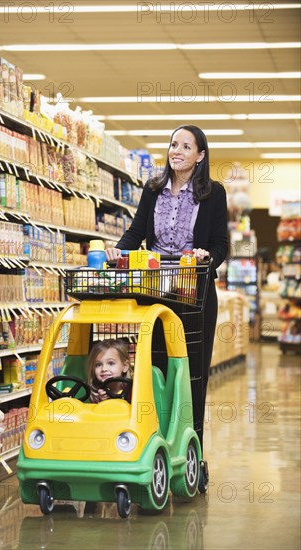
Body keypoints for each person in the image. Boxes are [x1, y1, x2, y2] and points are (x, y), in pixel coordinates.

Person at [106, 124, 228, 451]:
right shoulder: (153, 188)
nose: (177, 151)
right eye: (174, 144)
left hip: (194, 291)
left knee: (192, 372)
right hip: (155, 289)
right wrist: (119, 249)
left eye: (187, 147)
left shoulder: (213, 194)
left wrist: (207, 256)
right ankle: (153, 442)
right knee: (154, 368)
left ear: (200, 155)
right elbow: (135, 233)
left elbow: (221, 245)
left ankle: (192, 449)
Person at [88, 338, 132, 403]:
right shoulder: (95, 393)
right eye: (98, 365)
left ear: (125, 366)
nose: (104, 369)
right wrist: (102, 402)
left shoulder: (133, 390)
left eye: (111, 363)